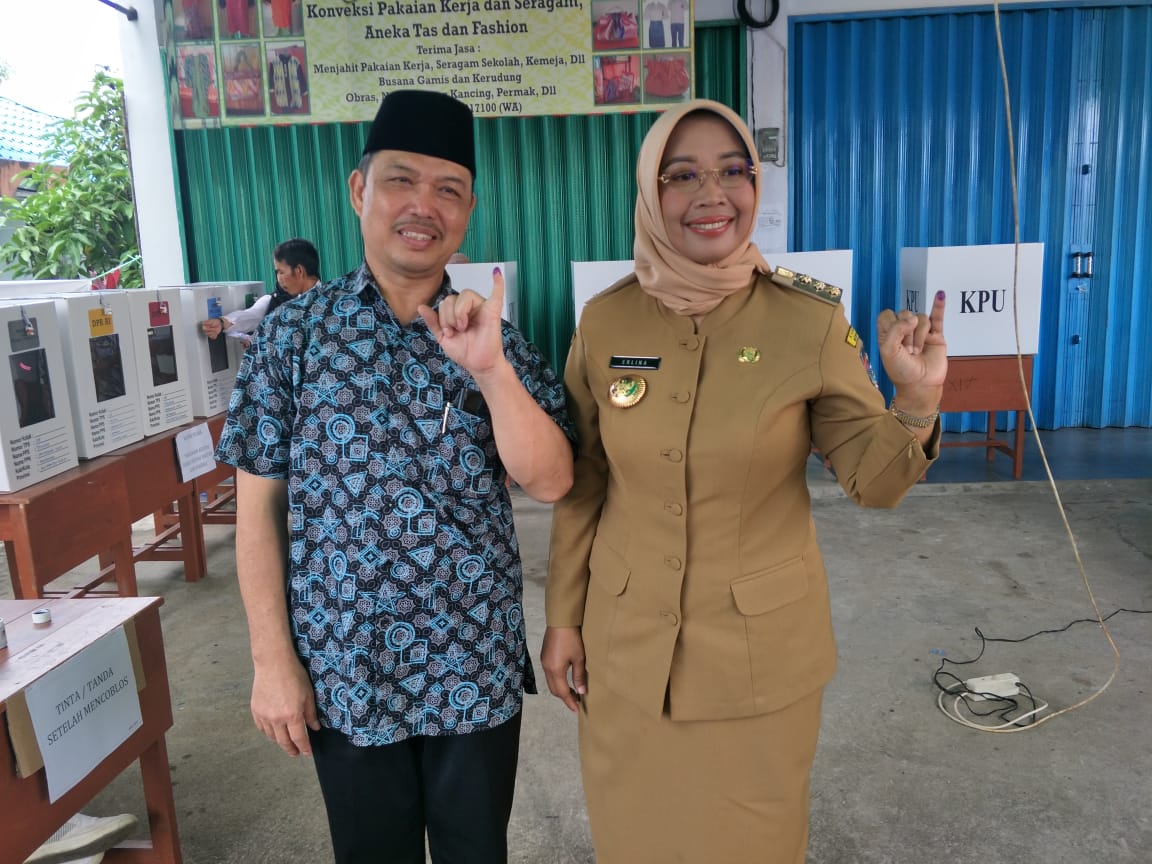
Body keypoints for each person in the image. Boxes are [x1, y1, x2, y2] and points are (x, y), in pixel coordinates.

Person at [541, 98, 947, 863]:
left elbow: (875, 482)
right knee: (636, 841)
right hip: (627, 654)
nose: (712, 195)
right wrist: (564, 618)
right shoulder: (606, 322)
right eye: (682, 175)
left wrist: (916, 401)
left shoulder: (807, 322)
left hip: (759, 662)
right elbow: (585, 481)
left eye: (734, 172)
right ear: (650, 191)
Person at [214, 90, 575, 864]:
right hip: (346, 668)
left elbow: (551, 482)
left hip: (472, 663)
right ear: (360, 191)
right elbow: (257, 513)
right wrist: (272, 662)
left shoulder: (497, 341)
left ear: (468, 210)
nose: (423, 206)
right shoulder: (292, 337)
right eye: (401, 181)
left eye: (449, 189)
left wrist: (490, 372)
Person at [200, 238, 320, 344]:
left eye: (281, 272)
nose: (279, 279)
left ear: (299, 271)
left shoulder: (326, 305)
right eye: (277, 272)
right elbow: (250, 316)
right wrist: (221, 323)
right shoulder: (276, 301)